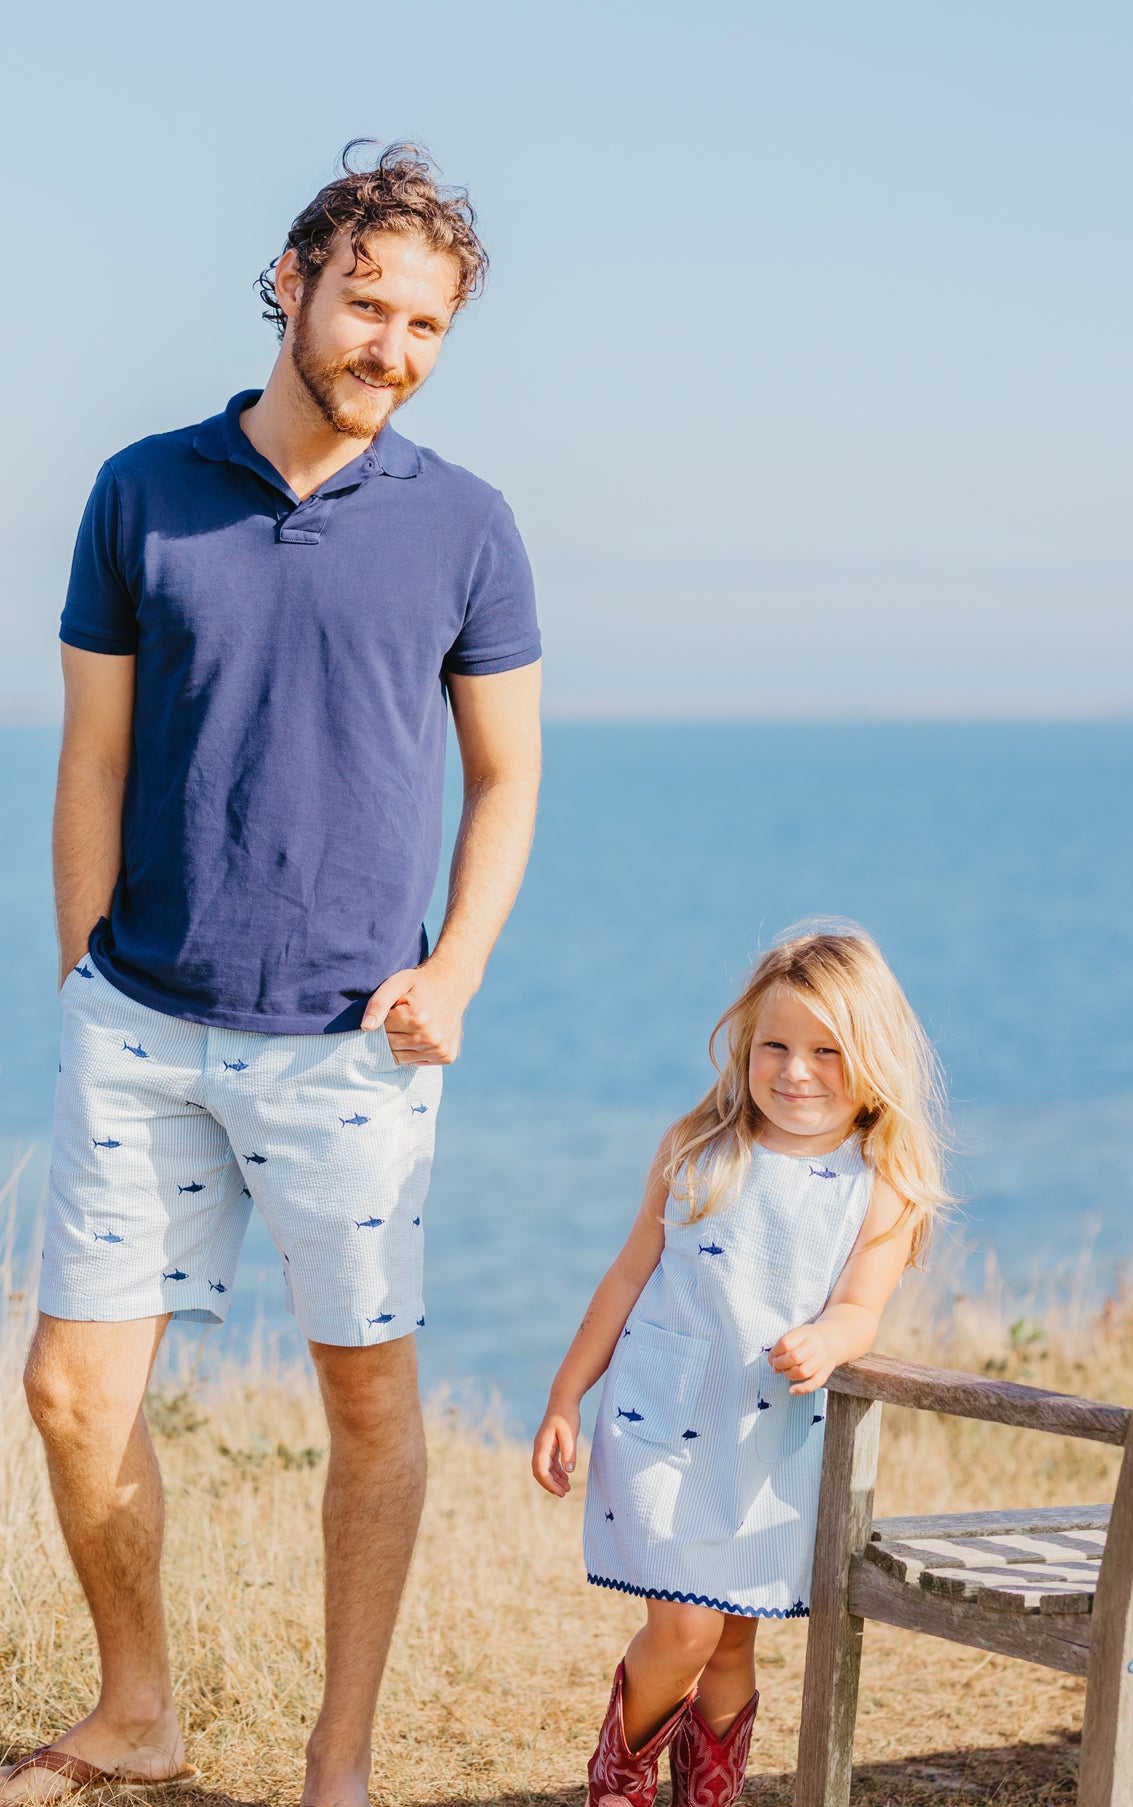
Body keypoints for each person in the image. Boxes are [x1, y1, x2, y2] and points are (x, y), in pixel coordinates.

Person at [7, 143, 541, 1807]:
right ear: (294, 283)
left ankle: (341, 1757)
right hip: (141, 1020)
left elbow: (507, 777)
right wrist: (85, 971)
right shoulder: (140, 490)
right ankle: (139, 1709)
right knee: (68, 1391)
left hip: (350, 1048)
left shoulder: (467, 525)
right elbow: (92, 756)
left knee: (367, 1406)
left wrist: (455, 968)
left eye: (428, 325)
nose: (395, 347)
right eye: (369, 306)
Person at [531, 924, 948, 1807]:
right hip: (661, 1418)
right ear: (745, 1044)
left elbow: (861, 1307)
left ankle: (708, 1795)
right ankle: (619, 1781)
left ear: (873, 1056)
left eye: (826, 1051)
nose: (796, 1071)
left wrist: (830, 1337)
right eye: (775, 1046)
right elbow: (628, 1274)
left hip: (768, 1439)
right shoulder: (697, 1147)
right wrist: (567, 1393)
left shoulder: (883, 1182)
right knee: (685, 1628)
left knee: (730, 1641)